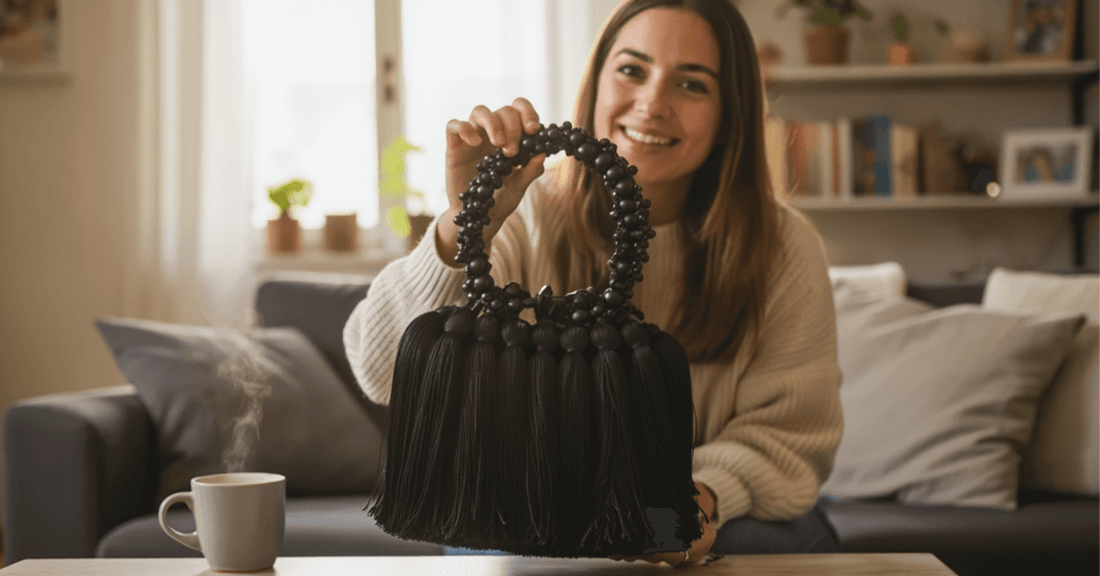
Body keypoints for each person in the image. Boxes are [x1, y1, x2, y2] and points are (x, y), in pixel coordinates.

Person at [343, 0, 843, 566]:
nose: (652, 103)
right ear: (596, 84)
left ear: (731, 111)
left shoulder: (781, 244)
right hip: (536, 507)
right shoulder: (526, 211)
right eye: (632, 70)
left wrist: (689, 506)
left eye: (692, 85)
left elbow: (787, 436)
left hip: (710, 505)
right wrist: (467, 220)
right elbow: (382, 371)